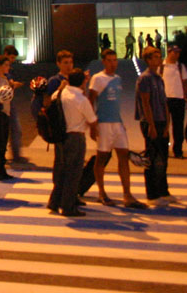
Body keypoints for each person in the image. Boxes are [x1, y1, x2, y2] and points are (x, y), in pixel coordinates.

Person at [89, 49, 147, 209]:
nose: (112, 63)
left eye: (115, 60)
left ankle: (127, 194)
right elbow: (91, 100)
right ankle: (102, 192)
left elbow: (116, 104)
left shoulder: (118, 79)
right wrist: (93, 125)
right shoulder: (97, 79)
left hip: (117, 123)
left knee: (123, 156)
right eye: (109, 60)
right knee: (102, 158)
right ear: (103, 62)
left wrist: (121, 123)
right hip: (103, 123)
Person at [47, 70, 98, 216]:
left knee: (62, 171)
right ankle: (68, 206)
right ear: (82, 82)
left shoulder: (61, 93)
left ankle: (54, 201)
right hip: (76, 137)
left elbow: (52, 98)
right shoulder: (81, 99)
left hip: (61, 136)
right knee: (73, 173)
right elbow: (92, 119)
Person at [136, 46, 176, 206]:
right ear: (148, 60)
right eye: (156, 57)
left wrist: (167, 124)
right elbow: (145, 102)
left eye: (160, 57)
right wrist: (151, 124)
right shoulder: (145, 78)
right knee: (152, 158)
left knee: (163, 157)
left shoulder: (159, 78)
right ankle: (152, 194)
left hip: (161, 121)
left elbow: (164, 103)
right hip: (150, 122)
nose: (159, 60)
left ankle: (163, 190)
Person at [162, 45, 187, 157]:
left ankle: (178, 150)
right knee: (164, 126)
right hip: (165, 99)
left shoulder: (180, 66)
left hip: (179, 99)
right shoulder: (162, 66)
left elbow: (185, 82)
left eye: (178, 53)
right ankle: (164, 149)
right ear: (169, 53)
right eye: (174, 52)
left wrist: (184, 96)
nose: (176, 55)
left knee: (178, 127)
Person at [2, 45, 28, 164]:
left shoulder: (8, 70)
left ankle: (14, 154)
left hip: (9, 102)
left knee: (13, 129)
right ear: (5, 54)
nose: (12, 61)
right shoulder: (0, 69)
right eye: (11, 58)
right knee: (13, 129)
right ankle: (14, 155)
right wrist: (12, 84)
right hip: (4, 103)